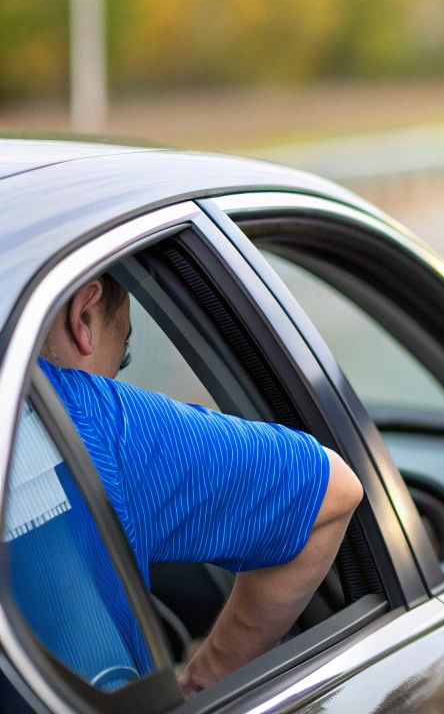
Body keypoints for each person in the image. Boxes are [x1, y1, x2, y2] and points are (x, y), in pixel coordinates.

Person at [10, 272, 364, 695]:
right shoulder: (90, 420)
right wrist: (203, 684)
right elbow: (333, 490)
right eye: (119, 357)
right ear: (83, 316)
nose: (114, 384)